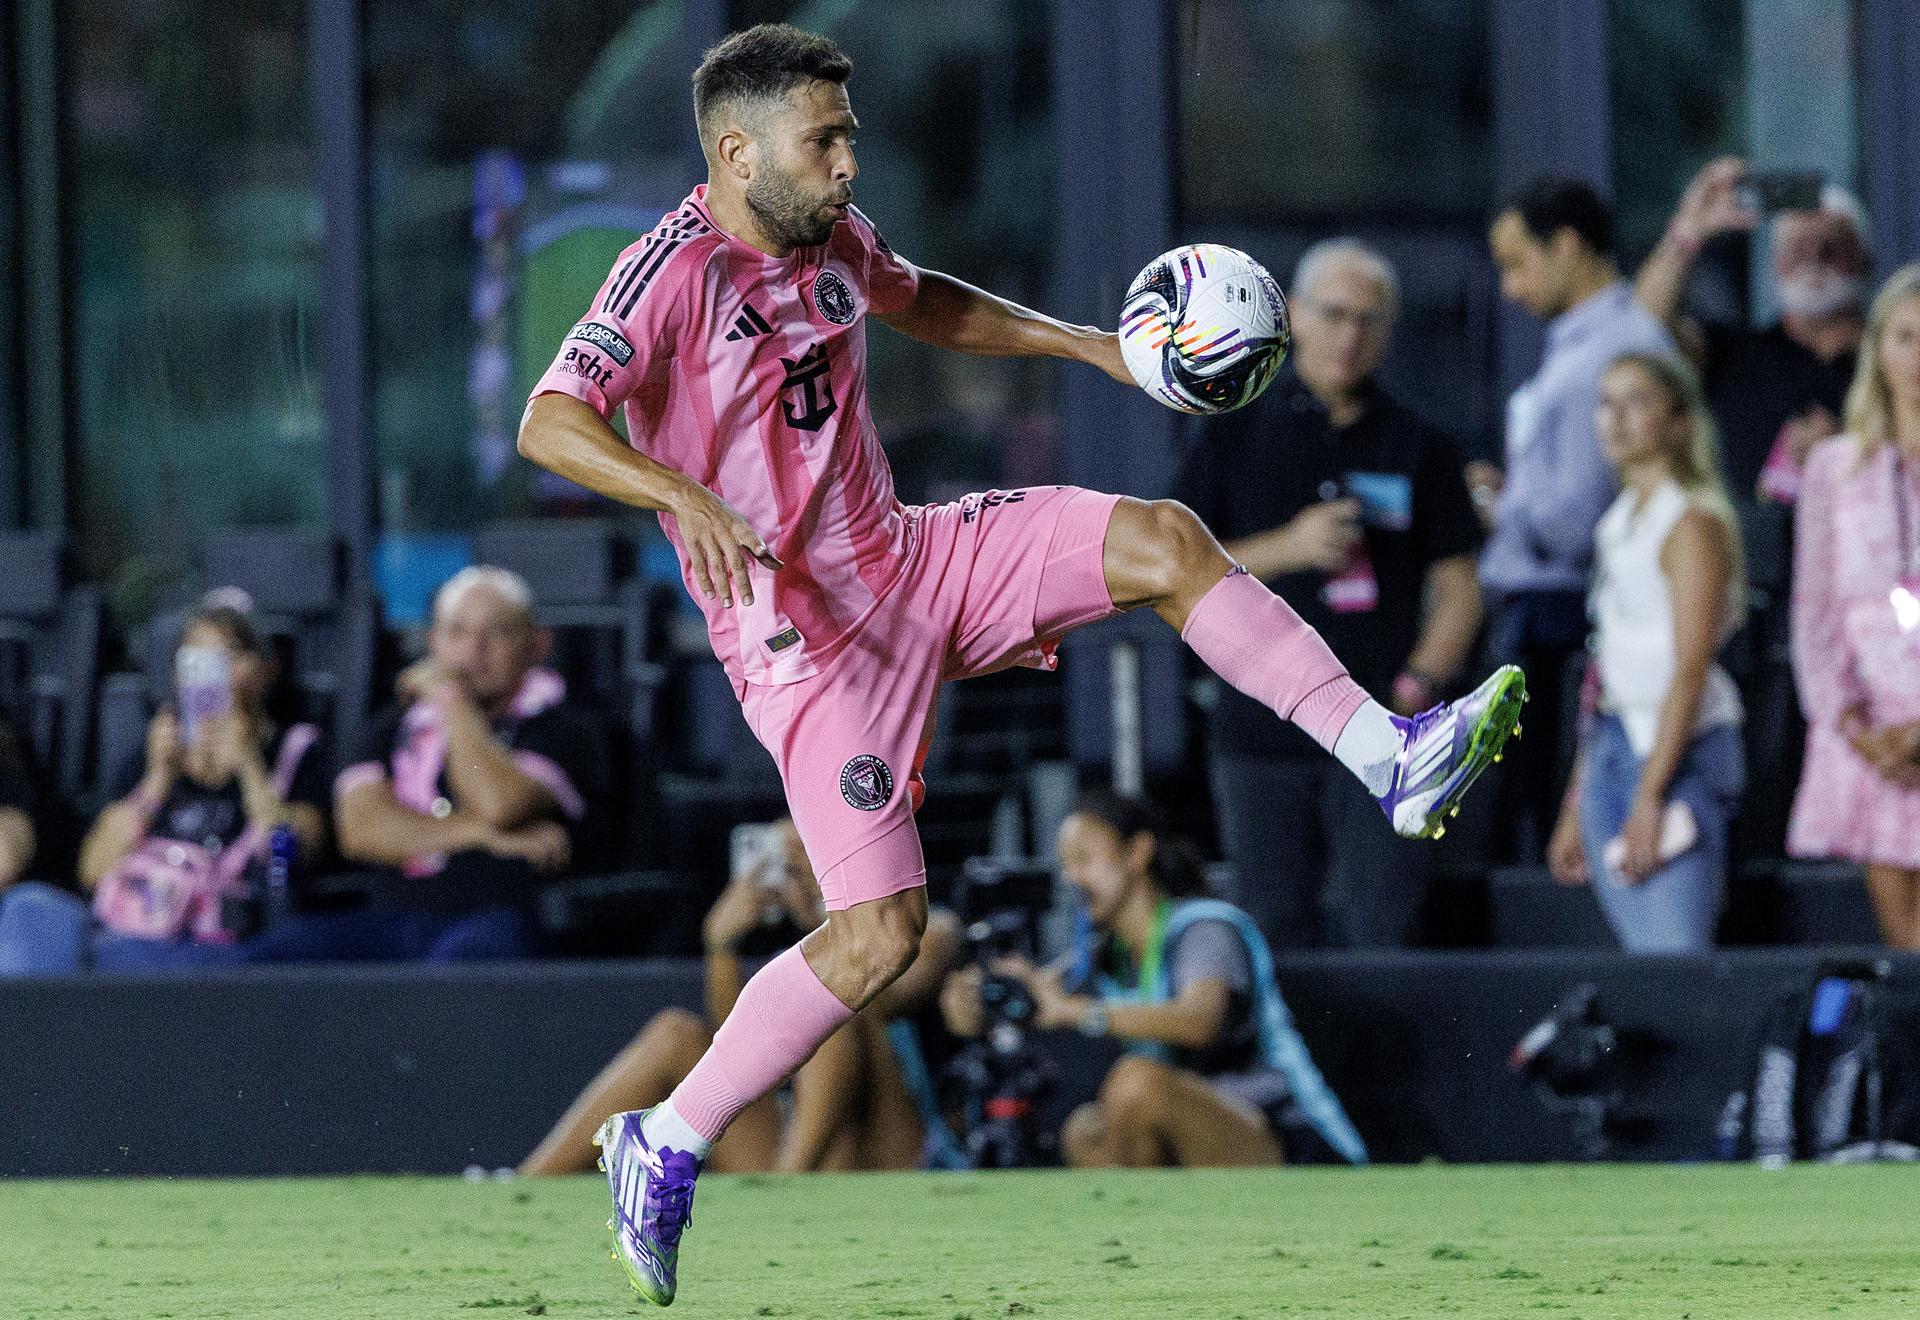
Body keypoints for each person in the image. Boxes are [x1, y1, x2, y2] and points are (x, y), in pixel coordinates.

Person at [514, 25, 1522, 1306]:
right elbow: (550, 420)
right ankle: (665, 1138)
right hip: (809, 647)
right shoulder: (664, 276)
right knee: (879, 936)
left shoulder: (829, 234)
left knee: (1166, 542)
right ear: (735, 150)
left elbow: (923, 296)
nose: (845, 159)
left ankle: (1392, 756)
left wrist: (1092, 347)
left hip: (915, 560)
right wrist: (676, 494)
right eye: (823, 139)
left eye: (848, 135)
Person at [1172, 238, 1484, 949]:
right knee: (1273, 926)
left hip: (1382, 721)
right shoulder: (1234, 428)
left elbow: (1459, 584)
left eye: (1369, 320)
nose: (1350, 336)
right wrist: (1290, 546)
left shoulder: (1419, 442)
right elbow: (1173, 571)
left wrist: (1420, 683)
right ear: (1296, 316)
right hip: (1262, 728)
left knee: (1385, 923)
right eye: (1335, 315)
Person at [942, 789, 1365, 1169]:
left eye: (1086, 858)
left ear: (1137, 853)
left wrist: (1078, 1013)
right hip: (1210, 1154)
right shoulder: (1108, 954)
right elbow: (1042, 999)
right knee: (1084, 1130)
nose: (1073, 878)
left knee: (1136, 1083)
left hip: (1296, 1149)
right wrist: (979, 1006)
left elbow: (1199, 1022)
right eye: (1066, 865)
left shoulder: (1205, 928)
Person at [520, 818, 961, 1177]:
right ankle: (522, 1184)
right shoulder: (791, 937)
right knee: (674, 1034)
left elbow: (880, 991)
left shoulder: (921, 927)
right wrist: (722, 943)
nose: (802, 872)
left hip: (894, 1155)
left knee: (832, 1010)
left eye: (810, 855)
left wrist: (832, 913)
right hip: (805, 1154)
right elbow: (741, 1056)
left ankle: (785, 1188)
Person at [241, 567, 611, 964]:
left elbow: (498, 804)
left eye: (497, 632)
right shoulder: (391, 724)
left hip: (503, 918)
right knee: (270, 961)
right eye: (457, 633)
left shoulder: (567, 725)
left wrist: (452, 702)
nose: (473, 650)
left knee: (460, 966)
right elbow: (360, 830)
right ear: (433, 643)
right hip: (391, 918)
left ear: (537, 644)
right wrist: (485, 837)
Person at [1479, 177, 1674, 861]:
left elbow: (1581, 517)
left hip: (1572, 616)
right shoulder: (1578, 343)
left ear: (1565, 246)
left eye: (1516, 263)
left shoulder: (1615, 347)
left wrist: (1501, 510)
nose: (1509, 288)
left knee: (1555, 836)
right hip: (1545, 610)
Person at [0, 594, 329, 974]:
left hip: (227, 949)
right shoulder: (150, 758)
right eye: (198, 661)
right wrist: (157, 780)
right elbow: (93, 869)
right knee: (31, 909)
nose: (213, 676)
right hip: (130, 937)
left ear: (266, 669)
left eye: (229, 658)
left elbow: (287, 860)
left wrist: (249, 765)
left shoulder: (294, 752)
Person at [1546, 354, 1746, 952]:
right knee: (1645, 954)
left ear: (1680, 422)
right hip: (1615, 745)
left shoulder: (1690, 522)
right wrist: (1577, 800)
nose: (1615, 418)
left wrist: (1649, 796)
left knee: (1673, 951)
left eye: (1637, 401)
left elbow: (1687, 668)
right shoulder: (1617, 523)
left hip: (1674, 752)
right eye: (1607, 403)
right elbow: (1605, 675)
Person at [1785, 265, 1920, 948]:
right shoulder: (1833, 467)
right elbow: (1814, 612)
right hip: (1874, 737)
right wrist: (1853, 724)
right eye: (1905, 336)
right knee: (1906, 940)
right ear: (1879, 346)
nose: (1918, 356)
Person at [1634, 157, 1866, 500]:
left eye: (1830, 246)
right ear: (1775, 263)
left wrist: (1853, 450)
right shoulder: (1738, 354)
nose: (1814, 259)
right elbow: (1647, 322)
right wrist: (1689, 229)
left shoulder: (1898, 355)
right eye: (1799, 247)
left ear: (1865, 256)